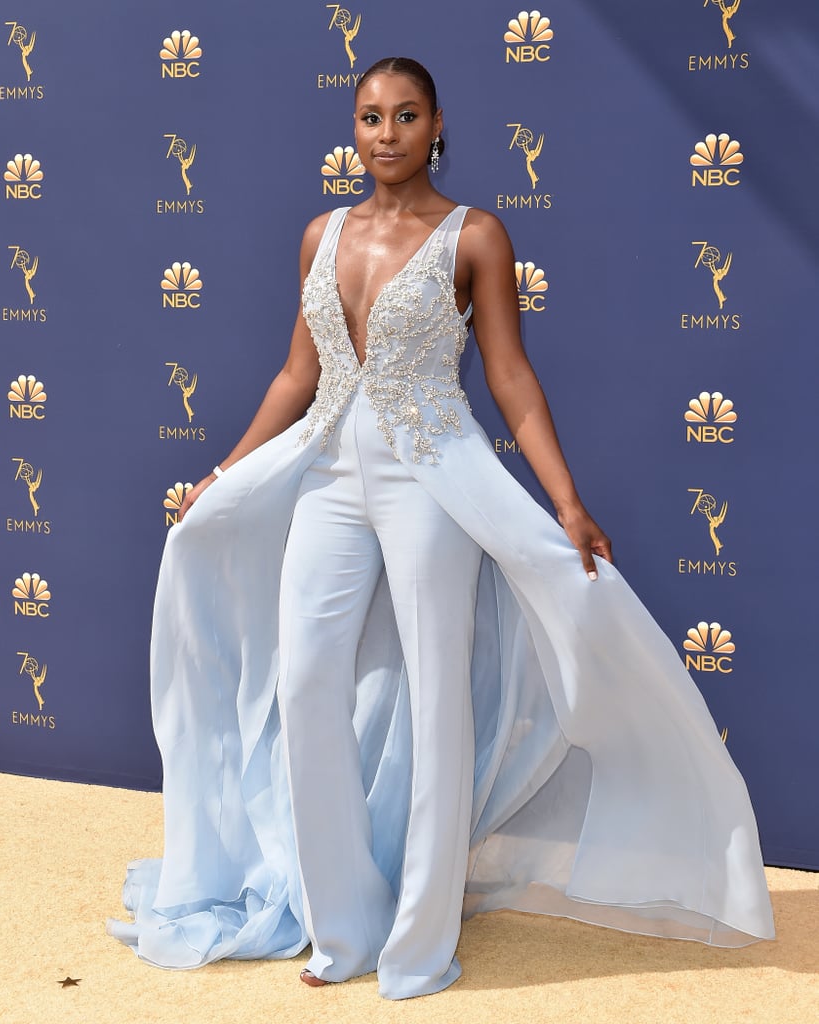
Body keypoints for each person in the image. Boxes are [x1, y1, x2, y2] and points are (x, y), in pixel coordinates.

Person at [108, 57, 774, 999]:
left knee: (434, 700)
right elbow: (297, 377)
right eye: (370, 117)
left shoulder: (476, 236)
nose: (386, 134)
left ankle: (418, 945)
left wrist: (567, 501)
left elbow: (510, 378)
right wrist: (222, 471)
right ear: (354, 128)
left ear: (437, 125)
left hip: (434, 477)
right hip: (330, 474)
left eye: (405, 115)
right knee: (305, 683)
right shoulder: (320, 234)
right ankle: (340, 927)